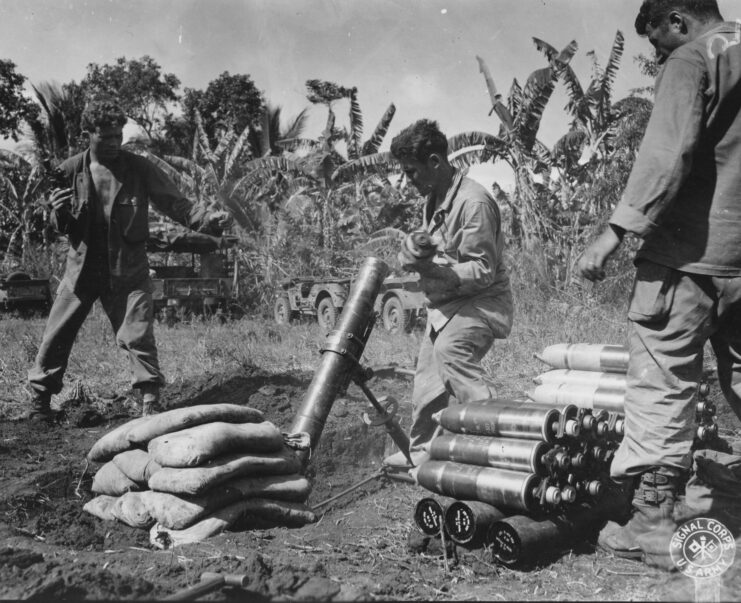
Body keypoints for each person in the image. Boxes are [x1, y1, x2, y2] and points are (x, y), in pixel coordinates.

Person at [578, 0, 741, 568]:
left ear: (678, 19)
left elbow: (669, 151)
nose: (658, 56)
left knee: (662, 378)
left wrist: (615, 233)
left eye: (657, 44)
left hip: (688, 258)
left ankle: (651, 522)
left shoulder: (693, 58)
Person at [26, 98, 230, 421]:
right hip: (82, 269)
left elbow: (177, 204)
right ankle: (39, 404)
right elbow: (59, 226)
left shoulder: (138, 168)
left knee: (138, 333)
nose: (112, 143)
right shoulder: (68, 172)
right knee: (57, 334)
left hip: (128, 268)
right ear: (86, 134)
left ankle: (150, 401)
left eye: (116, 135)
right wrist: (58, 211)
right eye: (103, 136)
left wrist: (207, 220)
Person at [383, 119, 513, 468]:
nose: (408, 180)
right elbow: (437, 249)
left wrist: (430, 269)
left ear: (435, 163)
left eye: (411, 172)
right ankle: (424, 456)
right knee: (427, 380)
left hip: (483, 302)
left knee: (450, 352)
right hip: (448, 305)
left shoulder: (474, 203)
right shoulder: (434, 198)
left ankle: (496, 441)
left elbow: (482, 271)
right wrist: (416, 253)